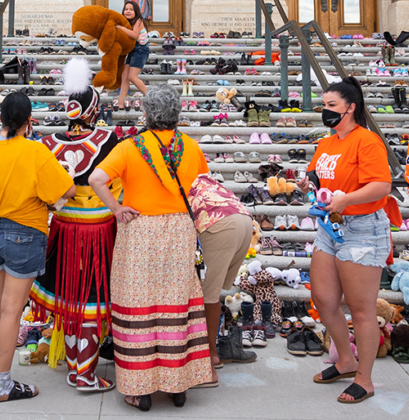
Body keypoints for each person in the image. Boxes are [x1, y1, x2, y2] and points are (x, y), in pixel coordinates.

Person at [89, 84, 212, 412]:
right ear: (177, 113)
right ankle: (176, 386)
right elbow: (202, 186)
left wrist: (116, 208)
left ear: (146, 113)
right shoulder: (190, 146)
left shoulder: (130, 147)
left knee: (137, 307)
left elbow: (96, 179)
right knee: (175, 304)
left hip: (140, 229)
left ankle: (139, 390)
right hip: (179, 230)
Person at [0, 92, 76, 403]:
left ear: (0, 118)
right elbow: (65, 189)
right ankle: (2, 384)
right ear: (29, 120)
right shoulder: (34, 151)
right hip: (25, 232)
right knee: (13, 309)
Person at [297, 77, 392, 405]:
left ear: (350, 107)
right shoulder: (327, 143)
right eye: (324, 105)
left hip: (362, 228)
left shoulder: (366, 141)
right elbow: (316, 176)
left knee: (362, 309)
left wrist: (345, 200)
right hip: (329, 228)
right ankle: (345, 361)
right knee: (323, 298)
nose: (325, 110)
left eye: (331, 105)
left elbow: (382, 186)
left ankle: (364, 380)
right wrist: (304, 183)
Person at [30, 58, 121, 392]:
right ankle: (85, 373)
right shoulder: (109, 139)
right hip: (99, 231)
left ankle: (75, 366)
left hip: (63, 230)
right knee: (94, 297)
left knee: (70, 297)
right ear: (93, 110)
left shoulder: (47, 143)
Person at [187, 173, 255, 385]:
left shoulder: (170, 177)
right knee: (212, 294)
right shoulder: (197, 175)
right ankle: (213, 354)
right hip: (243, 219)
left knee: (204, 296)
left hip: (218, 223)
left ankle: (208, 363)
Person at [115, 1, 150, 111]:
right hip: (132, 51)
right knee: (124, 76)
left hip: (140, 49)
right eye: (126, 9)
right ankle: (120, 103)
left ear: (136, 11)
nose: (128, 11)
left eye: (131, 9)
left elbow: (135, 35)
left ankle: (152, 98)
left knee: (131, 77)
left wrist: (121, 28)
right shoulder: (127, 22)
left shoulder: (138, 21)